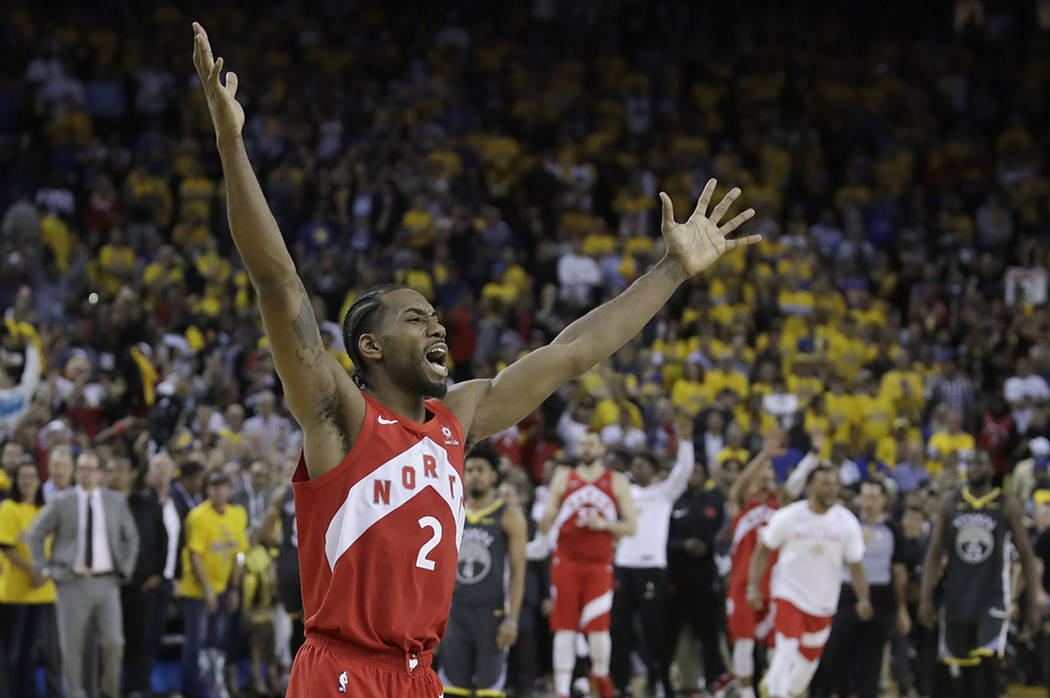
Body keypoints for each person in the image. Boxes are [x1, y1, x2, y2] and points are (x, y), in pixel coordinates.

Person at [192, 19, 759, 698]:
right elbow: (278, 281)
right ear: (369, 347)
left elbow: (572, 352)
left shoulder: (458, 417)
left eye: (436, 316)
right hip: (344, 671)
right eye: (413, 317)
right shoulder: (338, 414)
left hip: (422, 677)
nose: (436, 325)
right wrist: (231, 144)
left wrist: (670, 272)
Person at [919, 450, 1040, 698]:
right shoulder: (950, 503)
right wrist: (925, 598)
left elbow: (1027, 554)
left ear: (991, 468)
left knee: (988, 668)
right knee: (960, 676)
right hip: (956, 599)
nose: (975, 466)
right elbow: (934, 553)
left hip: (993, 598)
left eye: (981, 462)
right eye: (971, 462)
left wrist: (1034, 601)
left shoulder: (1007, 503)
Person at [747, 466, 872, 698]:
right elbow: (763, 549)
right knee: (786, 649)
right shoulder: (789, 516)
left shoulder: (846, 522)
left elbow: (856, 564)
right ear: (810, 486)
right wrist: (753, 586)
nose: (831, 489)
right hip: (789, 593)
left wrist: (863, 598)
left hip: (823, 603)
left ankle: (775, 688)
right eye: (825, 483)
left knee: (805, 670)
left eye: (834, 483)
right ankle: (775, 692)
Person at [26, 450, 140, 698]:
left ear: (100, 473)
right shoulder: (62, 501)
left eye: (91, 469)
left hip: (107, 581)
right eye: (81, 469)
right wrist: (46, 568)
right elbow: (34, 534)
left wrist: (126, 567)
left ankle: (110, 692)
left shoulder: (115, 501)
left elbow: (131, 537)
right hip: (71, 583)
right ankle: (76, 693)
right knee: (72, 648)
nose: (86, 474)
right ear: (76, 472)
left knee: (114, 643)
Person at [539, 432, 637, 698]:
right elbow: (546, 523)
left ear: (602, 448)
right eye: (582, 443)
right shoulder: (563, 476)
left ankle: (602, 677)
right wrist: (548, 516)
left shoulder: (616, 481)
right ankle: (561, 690)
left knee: (598, 630)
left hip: (598, 564)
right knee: (564, 628)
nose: (586, 447)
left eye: (592, 443)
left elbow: (631, 526)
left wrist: (604, 524)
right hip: (566, 562)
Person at [610, 411, 696, 697]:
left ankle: (660, 681)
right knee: (619, 630)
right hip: (623, 566)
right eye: (634, 463)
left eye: (642, 464)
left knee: (653, 630)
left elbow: (683, 471)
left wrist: (685, 443)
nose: (637, 467)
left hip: (651, 568)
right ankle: (619, 683)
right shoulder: (624, 493)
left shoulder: (663, 492)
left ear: (653, 469)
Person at [723, 429, 811, 698]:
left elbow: (796, 483)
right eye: (760, 471)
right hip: (742, 582)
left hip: (776, 583)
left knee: (779, 645)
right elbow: (739, 485)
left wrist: (813, 456)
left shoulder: (780, 503)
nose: (765, 474)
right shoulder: (741, 503)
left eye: (769, 470)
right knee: (743, 644)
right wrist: (763, 454)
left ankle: (777, 691)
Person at [440, 443, 527, 696]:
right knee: (453, 689)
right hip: (454, 612)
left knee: (490, 691)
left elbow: (518, 572)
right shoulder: (450, 509)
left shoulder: (509, 516)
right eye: (469, 469)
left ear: (493, 475)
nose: (474, 474)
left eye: (481, 469)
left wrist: (512, 620)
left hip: (492, 614)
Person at [810, 479, 910, 698]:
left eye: (873, 498)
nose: (868, 503)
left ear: (884, 500)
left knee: (872, 660)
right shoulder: (848, 525)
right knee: (835, 652)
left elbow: (899, 571)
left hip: (880, 596)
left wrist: (901, 609)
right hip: (847, 594)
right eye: (865, 497)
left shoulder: (893, 528)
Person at [664, 442, 730, 697]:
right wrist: (683, 545)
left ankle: (714, 680)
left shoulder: (716, 501)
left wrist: (711, 548)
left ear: (705, 475)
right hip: (677, 576)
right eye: (689, 472)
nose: (693, 477)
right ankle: (669, 681)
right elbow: (662, 539)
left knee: (709, 633)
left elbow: (724, 537)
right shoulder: (673, 501)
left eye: (697, 472)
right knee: (672, 633)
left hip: (705, 574)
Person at [178, 471, 249, 698]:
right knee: (195, 640)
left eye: (222, 486)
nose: (218, 491)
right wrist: (207, 589)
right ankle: (190, 688)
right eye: (213, 486)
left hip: (224, 587)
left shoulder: (238, 514)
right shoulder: (197, 516)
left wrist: (235, 587)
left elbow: (239, 554)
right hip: (198, 590)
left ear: (229, 490)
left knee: (218, 639)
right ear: (207, 490)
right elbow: (195, 555)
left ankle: (212, 684)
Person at [0, 462, 61, 698]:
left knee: (32, 652)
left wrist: (44, 574)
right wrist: (33, 570)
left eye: (31, 477)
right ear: (16, 481)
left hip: (43, 593)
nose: (26, 481)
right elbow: (7, 547)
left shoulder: (46, 510)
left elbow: (57, 547)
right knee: (12, 652)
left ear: (39, 481)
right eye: (22, 477)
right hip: (14, 594)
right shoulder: (8, 508)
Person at [124, 453, 181, 698]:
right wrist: (151, 574)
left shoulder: (178, 501)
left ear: (172, 472)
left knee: (155, 636)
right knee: (138, 635)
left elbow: (180, 541)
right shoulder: (140, 501)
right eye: (156, 467)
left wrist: (176, 574)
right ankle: (135, 686)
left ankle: (144, 684)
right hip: (146, 581)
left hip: (168, 580)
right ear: (147, 473)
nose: (160, 472)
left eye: (165, 468)